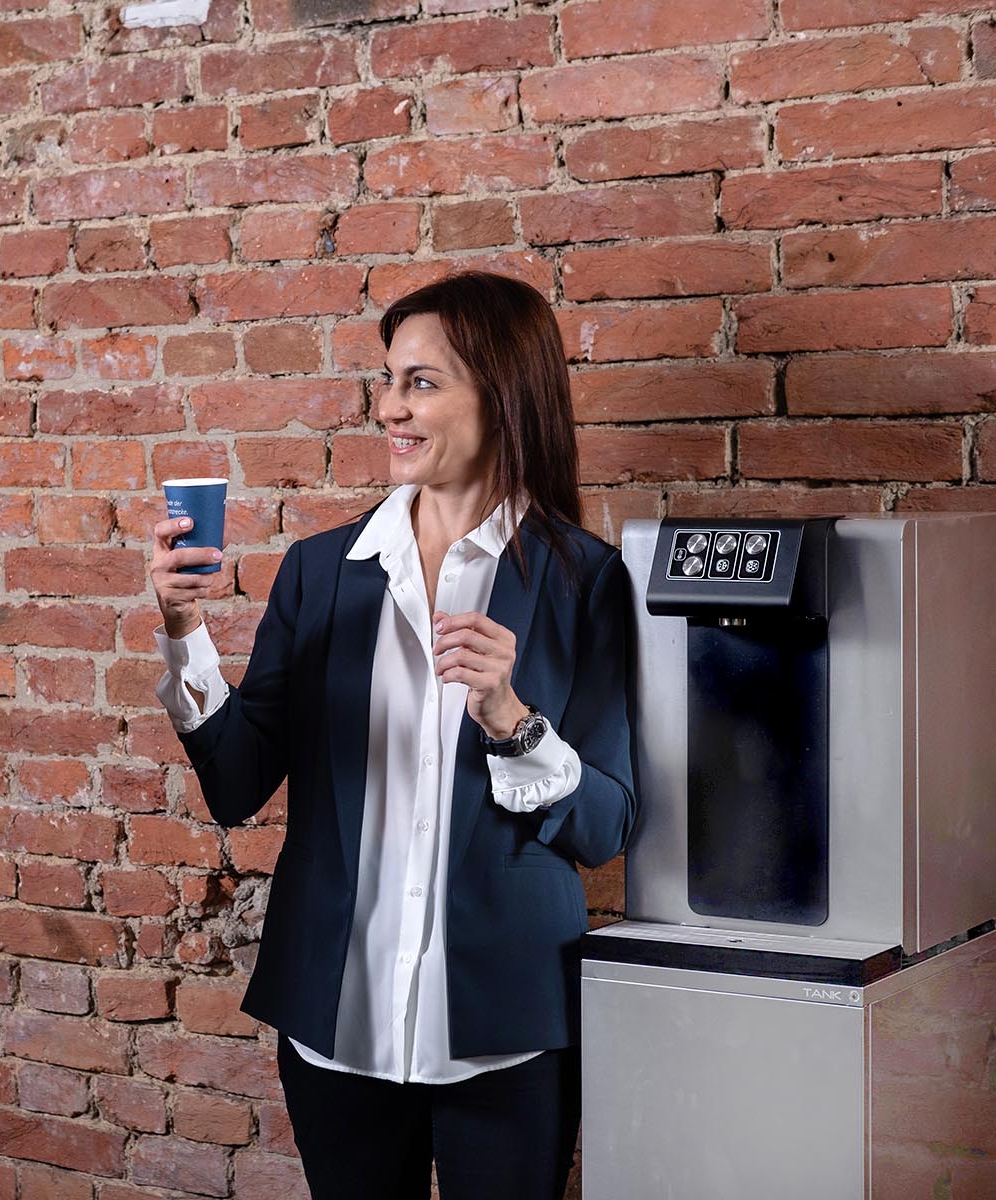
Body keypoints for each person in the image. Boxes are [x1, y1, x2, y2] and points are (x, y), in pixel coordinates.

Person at [147, 271, 637, 1199]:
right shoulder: (321, 572)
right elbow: (238, 781)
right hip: (338, 1018)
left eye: (420, 382)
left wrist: (512, 719)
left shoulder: (584, 581)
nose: (389, 409)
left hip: (507, 1027)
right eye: (386, 381)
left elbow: (608, 826)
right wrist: (184, 631)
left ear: (503, 396)